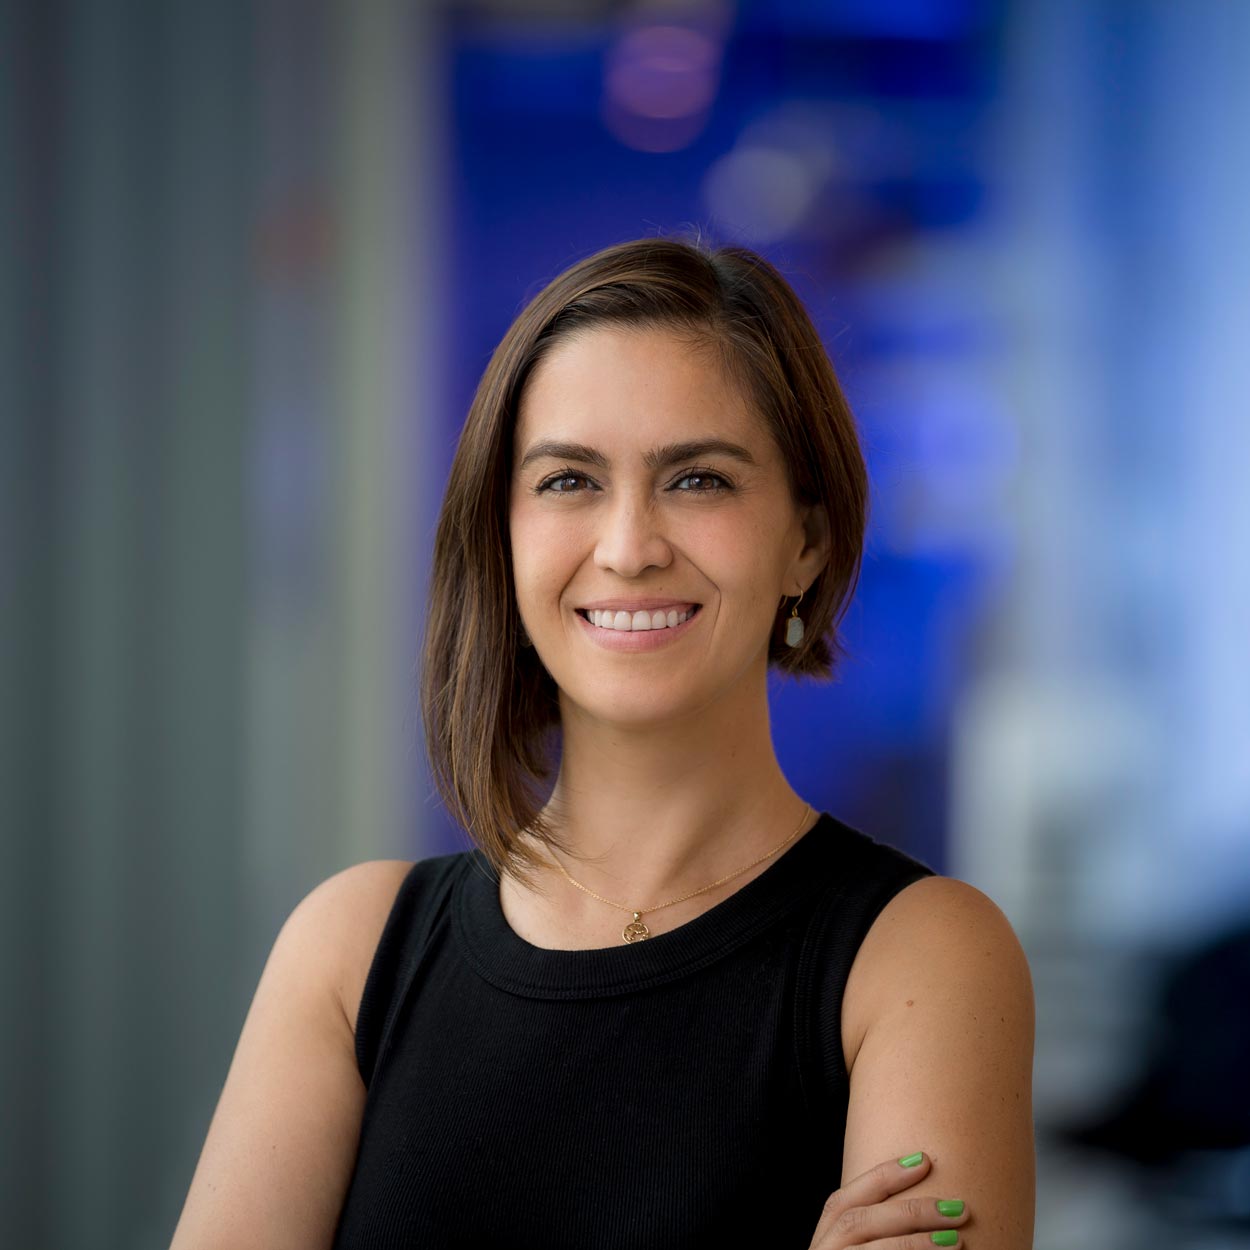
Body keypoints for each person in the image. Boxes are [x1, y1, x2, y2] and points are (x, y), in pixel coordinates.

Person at [171, 237, 1036, 1249]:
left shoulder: (917, 956)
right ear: (502, 535)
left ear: (804, 538)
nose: (627, 547)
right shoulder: (352, 949)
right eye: (568, 481)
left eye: (699, 479)